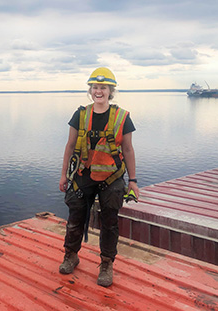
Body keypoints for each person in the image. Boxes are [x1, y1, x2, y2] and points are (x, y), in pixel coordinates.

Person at [58, 67, 139, 287]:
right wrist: (64, 174)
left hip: (112, 178)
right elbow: (70, 145)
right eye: (95, 87)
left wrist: (132, 181)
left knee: (110, 223)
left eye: (103, 87)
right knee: (75, 219)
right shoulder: (81, 114)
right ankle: (71, 255)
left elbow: (129, 150)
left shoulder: (123, 117)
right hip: (83, 175)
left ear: (111, 91)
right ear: (90, 90)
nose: (98, 91)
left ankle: (106, 264)